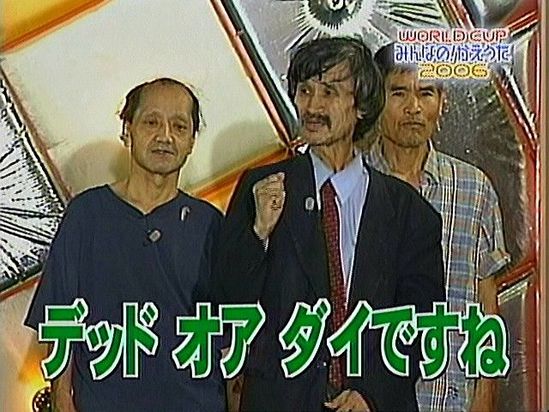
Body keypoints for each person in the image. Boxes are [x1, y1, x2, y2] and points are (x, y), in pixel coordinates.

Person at [215, 37, 445, 412]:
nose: (313, 107)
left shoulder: (410, 213)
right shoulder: (262, 188)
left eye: (329, 92)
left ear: (362, 105)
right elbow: (227, 305)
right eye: (305, 91)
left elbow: (420, 325)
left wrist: (371, 394)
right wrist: (258, 235)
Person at [25, 78, 225, 411]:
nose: (165, 136)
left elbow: (227, 332)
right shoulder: (86, 215)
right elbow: (60, 318)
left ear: (191, 141)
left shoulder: (210, 224)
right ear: (127, 130)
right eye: (151, 122)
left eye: (179, 126)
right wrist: (62, 397)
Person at [364, 43, 510, 412]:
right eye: (399, 93)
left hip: (450, 395)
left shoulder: (474, 189)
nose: (413, 107)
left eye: (426, 93)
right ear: (375, 100)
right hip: (367, 395)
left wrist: (484, 394)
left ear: (442, 102)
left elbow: (486, 303)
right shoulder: (350, 185)